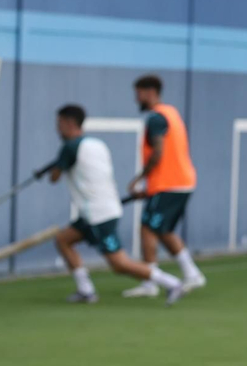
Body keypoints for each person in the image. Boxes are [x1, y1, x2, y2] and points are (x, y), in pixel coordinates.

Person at [47, 104, 184, 305]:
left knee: (119, 264)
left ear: (69, 123)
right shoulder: (96, 144)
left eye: (59, 124)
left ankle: (171, 283)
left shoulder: (69, 147)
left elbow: (54, 177)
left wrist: (55, 164)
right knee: (63, 240)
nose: (57, 129)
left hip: (98, 215)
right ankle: (86, 290)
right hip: (96, 211)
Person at [123, 74, 204, 298]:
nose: (136, 99)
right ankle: (192, 273)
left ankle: (150, 282)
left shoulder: (156, 118)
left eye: (138, 93)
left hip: (167, 183)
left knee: (148, 229)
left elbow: (157, 153)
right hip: (183, 182)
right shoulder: (172, 113)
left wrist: (139, 179)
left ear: (150, 92)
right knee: (164, 230)